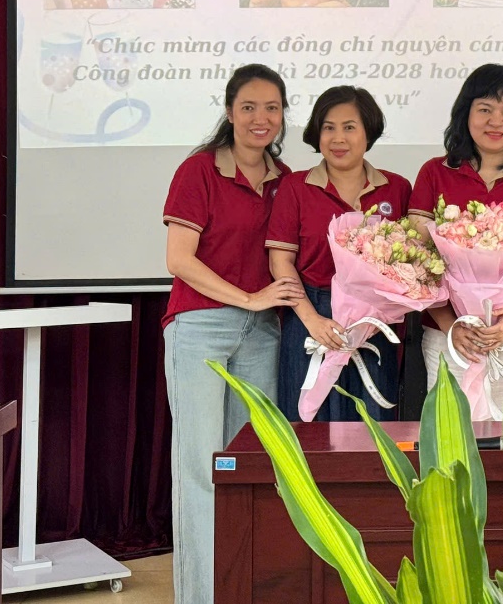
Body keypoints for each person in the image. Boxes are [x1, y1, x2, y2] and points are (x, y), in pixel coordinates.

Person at [161, 64, 303, 604]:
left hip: (263, 333)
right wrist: (246, 298)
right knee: (201, 467)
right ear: (228, 112)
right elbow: (179, 260)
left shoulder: (286, 179)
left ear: (284, 114)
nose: (260, 118)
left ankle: (241, 589)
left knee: (245, 466)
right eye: (248, 107)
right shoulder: (199, 171)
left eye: (272, 108)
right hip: (201, 327)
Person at [407, 64, 503, 415]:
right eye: (485, 109)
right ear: (466, 114)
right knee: (451, 442)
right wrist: (453, 327)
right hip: (449, 339)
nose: (497, 121)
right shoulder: (435, 172)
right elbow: (420, 264)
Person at [267, 86, 412, 422]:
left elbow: (411, 264)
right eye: (328, 127)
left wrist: (379, 316)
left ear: (369, 132)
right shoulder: (296, 187)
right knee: (307, 435)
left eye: (349, 127)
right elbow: (280, 262)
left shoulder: (397, 188)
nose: (337, 138)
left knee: (373, 437)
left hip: (375, 324)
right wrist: (311, 320)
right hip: (310, 317)